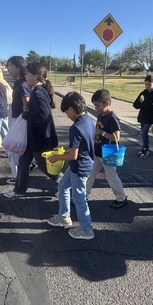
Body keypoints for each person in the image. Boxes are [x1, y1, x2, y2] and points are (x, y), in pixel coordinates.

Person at [45, 91, 96, 241]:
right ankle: (64, 217)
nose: (67, 115)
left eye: (66, 112)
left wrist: (57, 157)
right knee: (62, 186)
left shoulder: (76, 128)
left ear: (71, 109)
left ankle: (87, 229)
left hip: (79, 167)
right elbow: (80, 147)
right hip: (81, 164)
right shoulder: (88, 120)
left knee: (79, 199)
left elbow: (73, 156)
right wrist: (68, 151)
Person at [3, 61, 57, 199]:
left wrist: (26, 114)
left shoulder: (38, 93)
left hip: (40, 139)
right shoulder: (37, 91)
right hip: (33, 138)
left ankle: (65, 184)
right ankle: (19, 191)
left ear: (36, 76)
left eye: (27, 73)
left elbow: (43, 115)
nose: (25, 76)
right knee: (23, 163)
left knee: (45, 166)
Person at [85, 89, 128, 210]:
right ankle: (83, 195)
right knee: (90, 174)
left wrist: (102, 132)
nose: (96, 108)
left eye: (98, 105)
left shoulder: (112, 118)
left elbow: (117, 138)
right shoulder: (101, 114)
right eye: (95, 105)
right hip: (97, 150)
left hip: (108, 153)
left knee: (111, 177)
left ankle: (121, 198)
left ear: (107, 103)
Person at [4, 57, 29, 183]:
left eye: (11, 66)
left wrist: (23, 122)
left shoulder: (23, 85)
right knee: (15, 150)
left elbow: (27, 105)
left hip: (20, 121)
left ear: (19, 68)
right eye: (8, 66)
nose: (9, 69)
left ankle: (16, 177)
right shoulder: (18, 83)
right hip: (17, 119)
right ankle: (19, 173)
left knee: (13, 149)